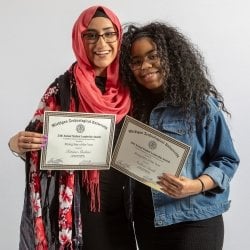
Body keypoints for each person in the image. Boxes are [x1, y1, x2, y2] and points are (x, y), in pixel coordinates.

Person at [8, 6, 137, 250]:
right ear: (79, 39)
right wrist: (15, 143)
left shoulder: (133, 85)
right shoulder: (63, 89)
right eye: (91, 35)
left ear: (119, 37)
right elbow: (34, 141)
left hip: (127, 208)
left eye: (109, 34)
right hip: (81, 209)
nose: (102, 42)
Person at [120, 22, 240, 250]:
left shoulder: (201, 105)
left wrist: (196, 185)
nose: (145, 65)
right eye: (136, 61)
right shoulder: (129, 108)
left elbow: (227, 160)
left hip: (194, 220)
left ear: (171, 56)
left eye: (153, 56)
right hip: (147, 224)